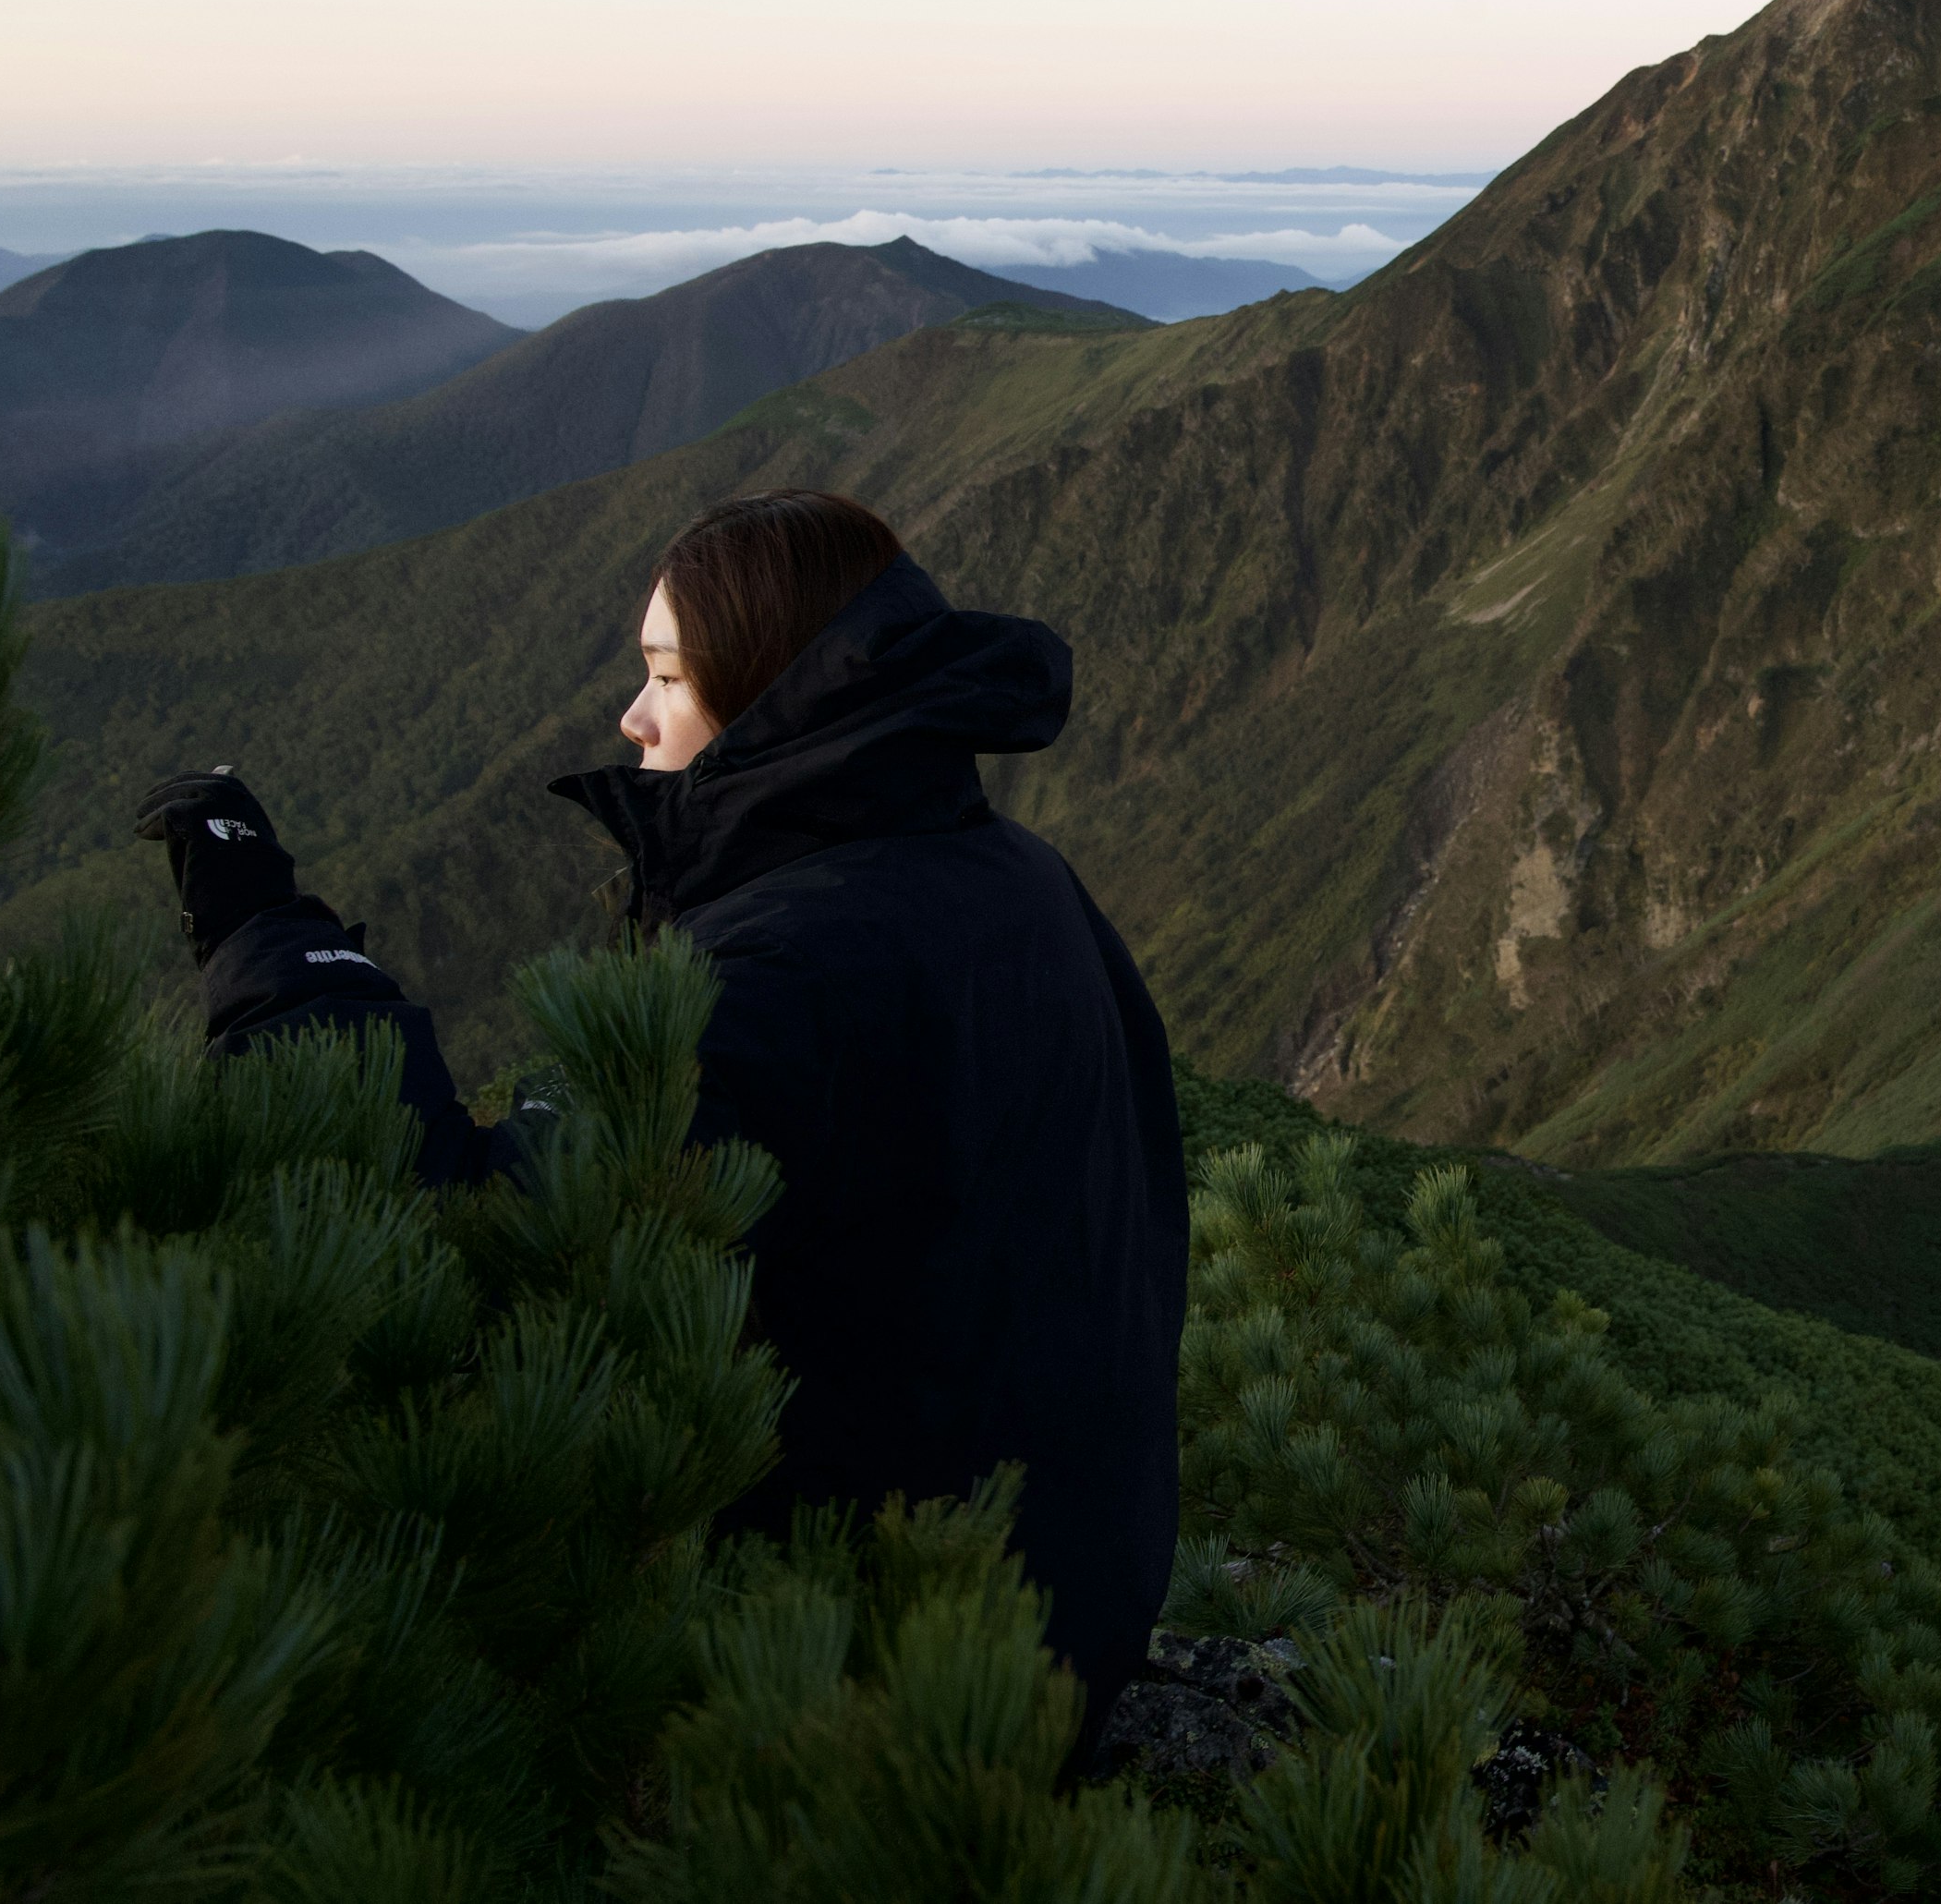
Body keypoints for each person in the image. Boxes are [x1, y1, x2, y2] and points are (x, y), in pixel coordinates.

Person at [135, 489, 1189, 1742]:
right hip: (1054, 1613)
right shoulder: (1017, 879)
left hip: (858, 1680)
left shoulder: (776, 973)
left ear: (773, 703)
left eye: (669, 678)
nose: (631, 716)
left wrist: (268, 941)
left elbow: (468, 1243)